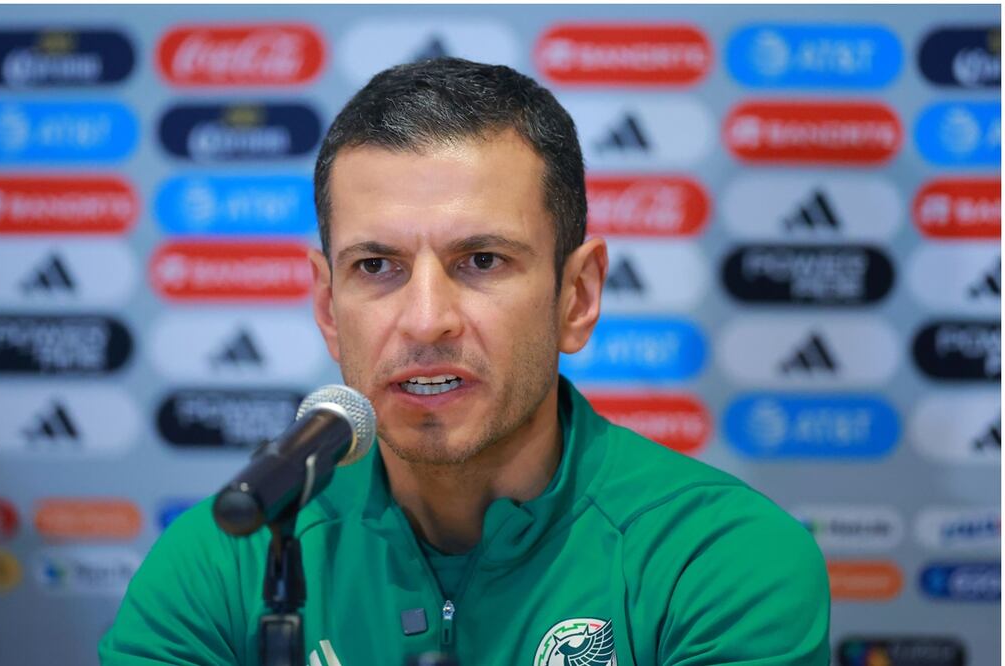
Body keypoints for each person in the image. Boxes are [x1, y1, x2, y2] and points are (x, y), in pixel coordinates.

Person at [100, 58, 830, 666]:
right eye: (377, 266)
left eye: (481, 260)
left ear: (576, 296)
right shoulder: (230, 555)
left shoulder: (719, 557)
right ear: (328, 306)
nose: (425, 320)